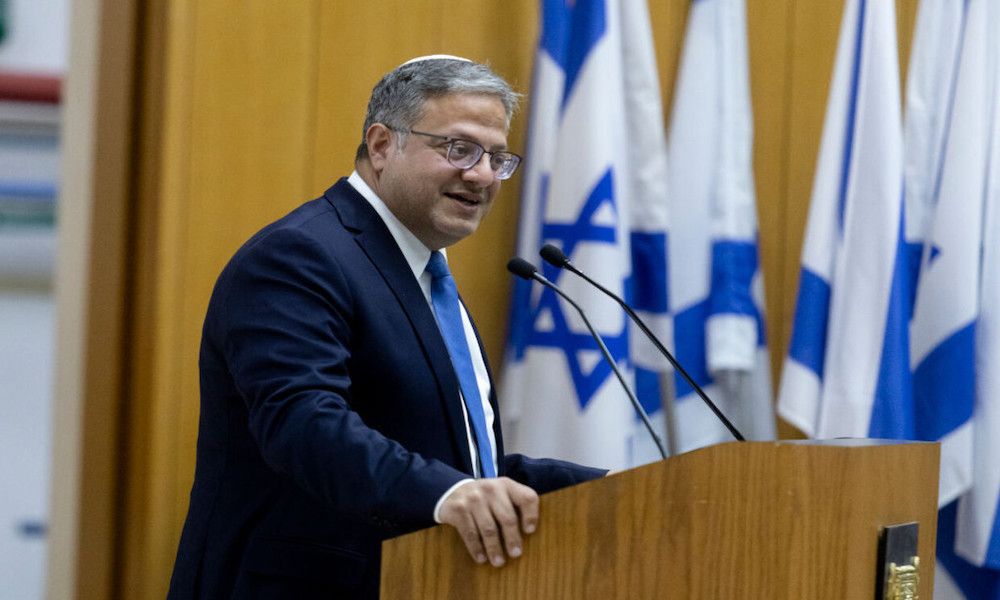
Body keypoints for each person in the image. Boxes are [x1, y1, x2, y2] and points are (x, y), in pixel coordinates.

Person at [167, 55, 606, 599]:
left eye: (497, 158)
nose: (482, 176)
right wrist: (447, 494)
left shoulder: (423, 274)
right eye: (459, 149)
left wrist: (610, 489)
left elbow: (456, 462)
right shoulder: (299, 256)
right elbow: (304, 424)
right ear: (381, 146)